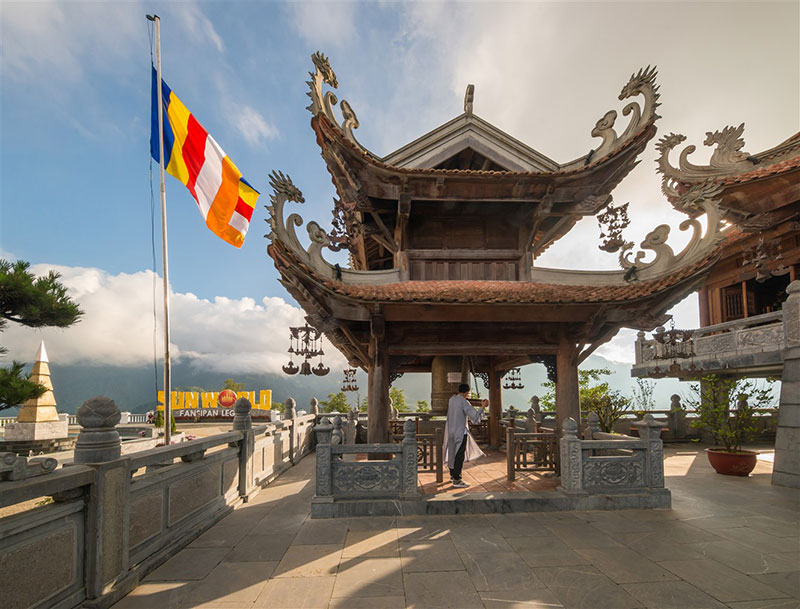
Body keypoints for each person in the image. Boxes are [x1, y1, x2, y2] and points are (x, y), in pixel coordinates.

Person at [444, 383, 487, 488]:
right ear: (467, 392)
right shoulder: (464, 402)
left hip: (450, 431)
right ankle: (457, 480)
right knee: (459, 455)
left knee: (452, 453)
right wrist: (483, 407)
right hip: (460, 432)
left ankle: (452, 475)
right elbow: (475, 417)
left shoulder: (452, 400)